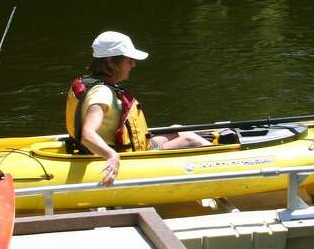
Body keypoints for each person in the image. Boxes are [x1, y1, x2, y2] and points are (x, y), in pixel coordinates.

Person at [66, 31, 209, 185]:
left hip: (134, 148)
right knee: (190, 140)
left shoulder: (93, 83)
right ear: (110, 61)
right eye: (129, 60)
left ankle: (222, 148)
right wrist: (112, 156)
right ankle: (228, 160)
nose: (133, 64)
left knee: (177, 129)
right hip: (130, 158)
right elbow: (88, 135)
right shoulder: (102, 93)